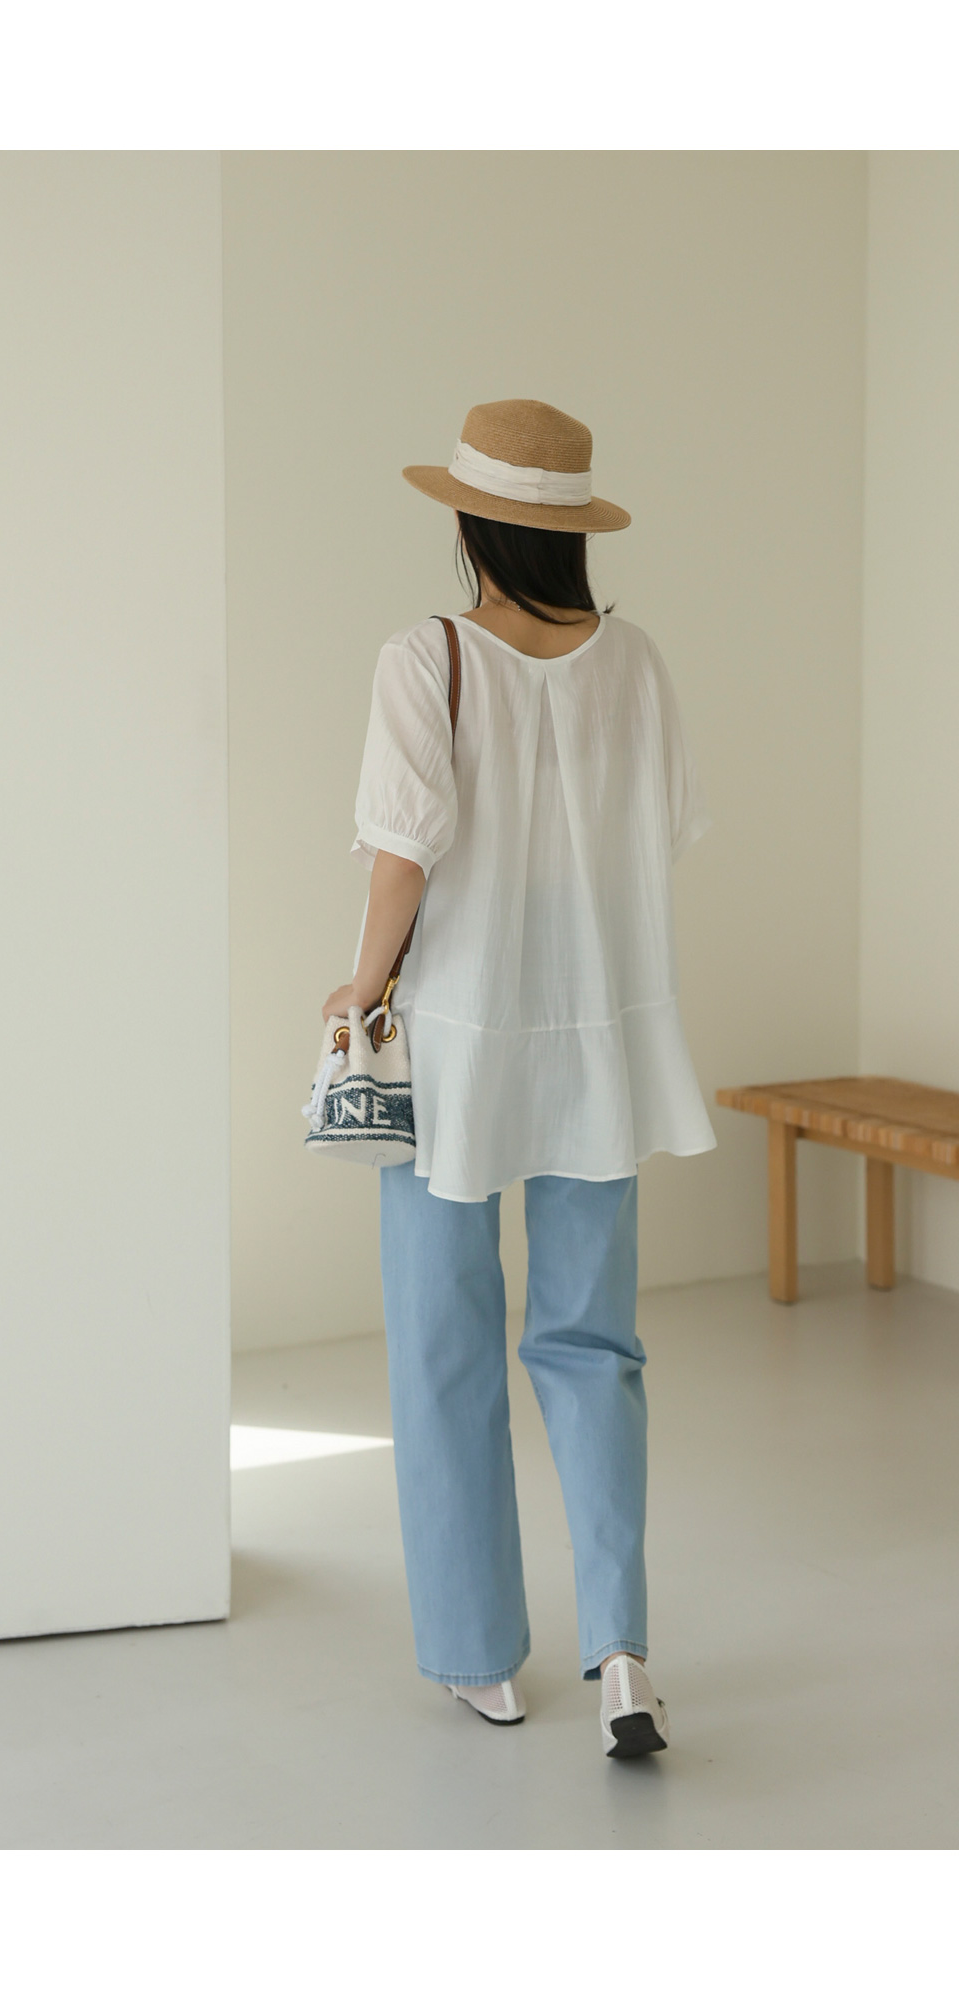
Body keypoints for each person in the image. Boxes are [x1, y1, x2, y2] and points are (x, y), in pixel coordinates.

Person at [322, 399, 716, 1758]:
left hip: (458, 1045)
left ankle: (481, 1657)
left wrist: (360, 986)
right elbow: (662, 832)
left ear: (469, 524)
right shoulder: (637, 661)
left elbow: (403, 855)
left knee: (445, 1344)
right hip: (601, 1040)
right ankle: (624, 1656)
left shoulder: (424, 656)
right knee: (594, 1348)